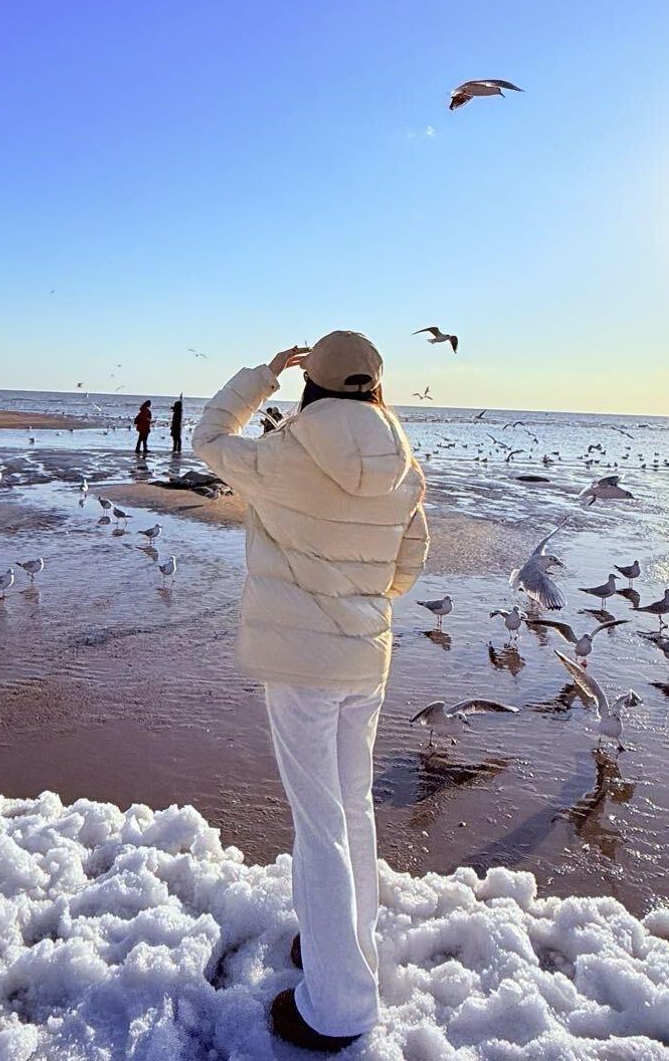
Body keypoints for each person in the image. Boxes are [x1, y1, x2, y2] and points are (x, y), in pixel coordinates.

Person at [193, 331, 429, 1053]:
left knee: (320, 818)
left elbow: (208, 437)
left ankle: (338, 1005)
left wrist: (262, 375)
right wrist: (359, 604)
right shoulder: (402, 456)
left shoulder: (285, 453)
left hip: (301, 665)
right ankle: (340, 948)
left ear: (313, 384)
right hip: (366, 658)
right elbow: (411, 559)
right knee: (350, 806)